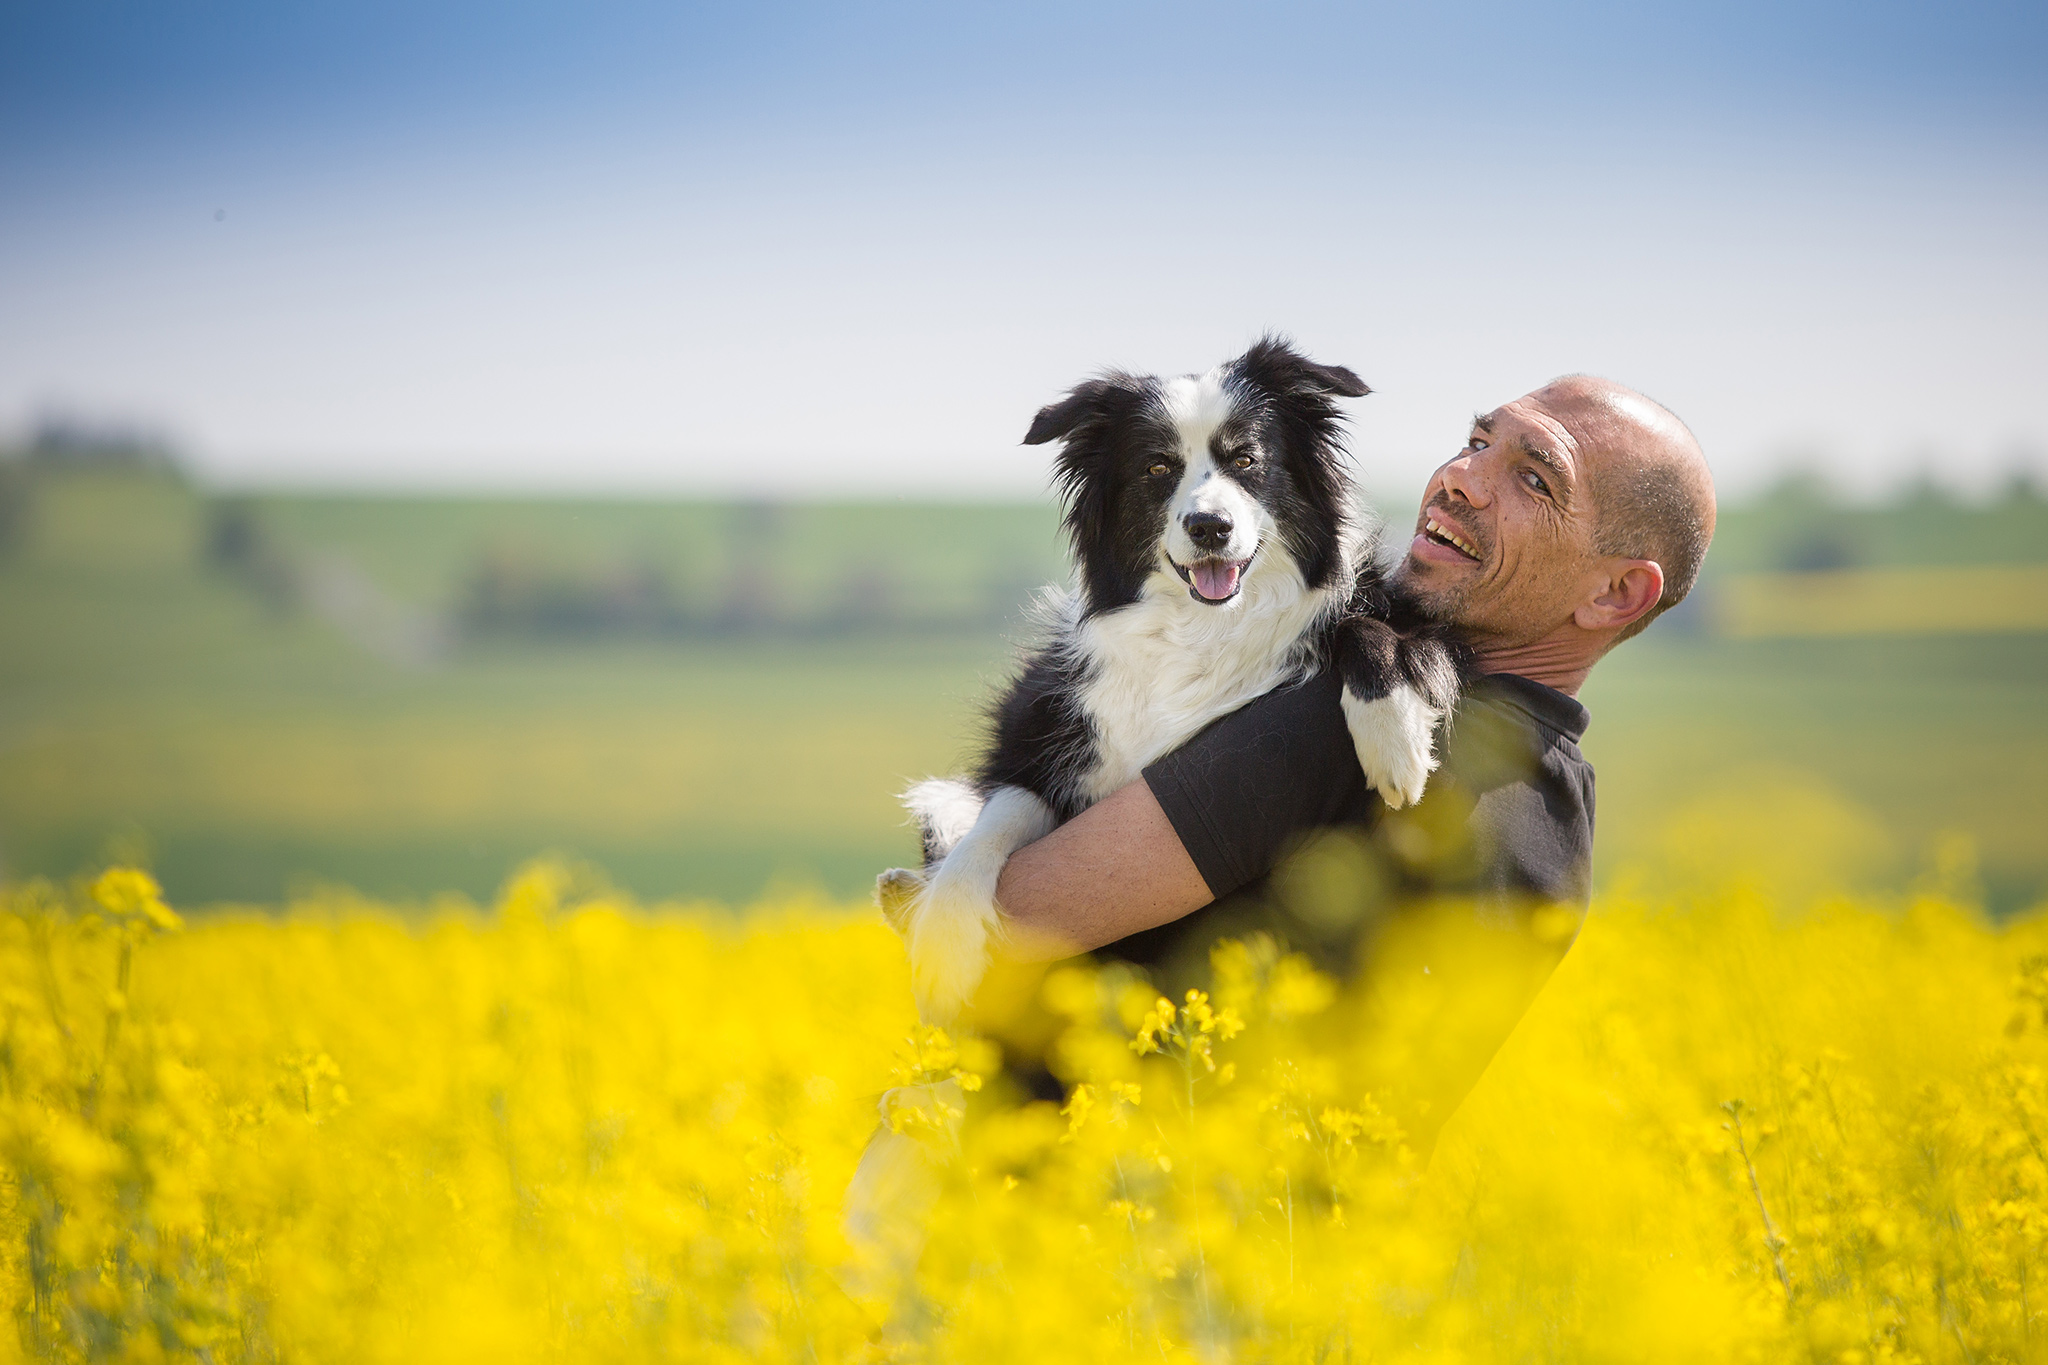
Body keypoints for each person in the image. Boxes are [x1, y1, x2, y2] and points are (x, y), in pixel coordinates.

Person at [976, 374, 1717, 1105]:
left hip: (1106, 1198)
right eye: (1477, 441)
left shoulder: (1341, 722)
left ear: (1615, 593)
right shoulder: (1562, 814)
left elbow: (1001, 922)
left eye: (1534, 478)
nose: (1462, 479)